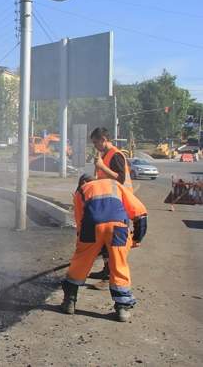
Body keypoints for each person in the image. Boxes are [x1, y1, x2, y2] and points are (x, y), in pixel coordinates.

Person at [61, 174, 148, 322]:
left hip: (91, 227)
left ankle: (69, 301)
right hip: (118, 227)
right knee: (119, 265)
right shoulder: (114, 184)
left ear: (83, 182)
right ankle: (122, 309)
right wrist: (136, 238)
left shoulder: (81, 191)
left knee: (80, 262)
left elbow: (80, 222)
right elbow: (140, 213)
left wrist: (89, 247)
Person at [90, 127, 134, 285]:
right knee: (105, 239)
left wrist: (102, 167)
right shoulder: (105, 155)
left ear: (103, 139)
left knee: (114, 241)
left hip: (120, 203)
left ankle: (114, 275)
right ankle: (107, 269)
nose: (95, 146)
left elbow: (120, 179)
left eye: (96, 142)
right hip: (109, 203)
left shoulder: (116, 155)